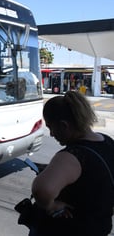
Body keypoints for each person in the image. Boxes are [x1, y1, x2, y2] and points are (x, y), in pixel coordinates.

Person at [30, 91, 114, 236]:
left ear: (64, 125)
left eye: (50, 127)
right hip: (100, 226)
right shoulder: (107, 141)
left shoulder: (73, 155)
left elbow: (41, 190)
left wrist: (51, 205)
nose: (51, 134)